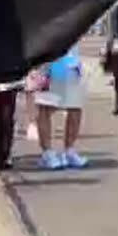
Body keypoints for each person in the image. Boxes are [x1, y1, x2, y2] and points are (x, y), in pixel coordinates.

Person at [34, 42, 89, 170]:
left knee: (75, 107)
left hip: (70, 61)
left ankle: (69, 150)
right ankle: (47, 153)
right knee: (45, 107)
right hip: (47, 59)